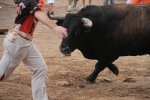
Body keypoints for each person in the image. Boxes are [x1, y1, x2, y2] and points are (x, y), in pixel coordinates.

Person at [0, 0, 67, 100]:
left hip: (26, 42)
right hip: (17, 43)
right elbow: (37, 12)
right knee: (2, 75)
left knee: (40, 68)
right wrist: (55, 27)